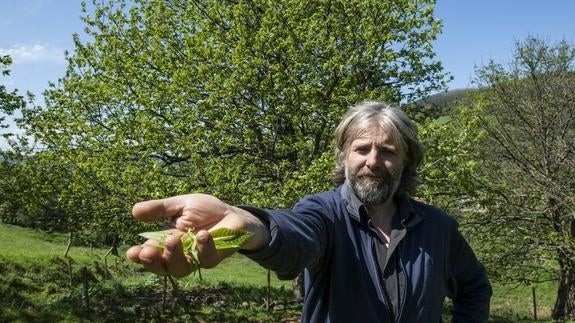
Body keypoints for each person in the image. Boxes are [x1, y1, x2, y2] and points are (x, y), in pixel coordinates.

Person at [126, 101, 492, 322]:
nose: (373, 161)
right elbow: (294, 237)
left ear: (406, 159)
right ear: (345, 156)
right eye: (362, 149)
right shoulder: (324, 214)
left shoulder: (438, 229)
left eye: (388, 151)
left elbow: (475, 288)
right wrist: (248, 228)